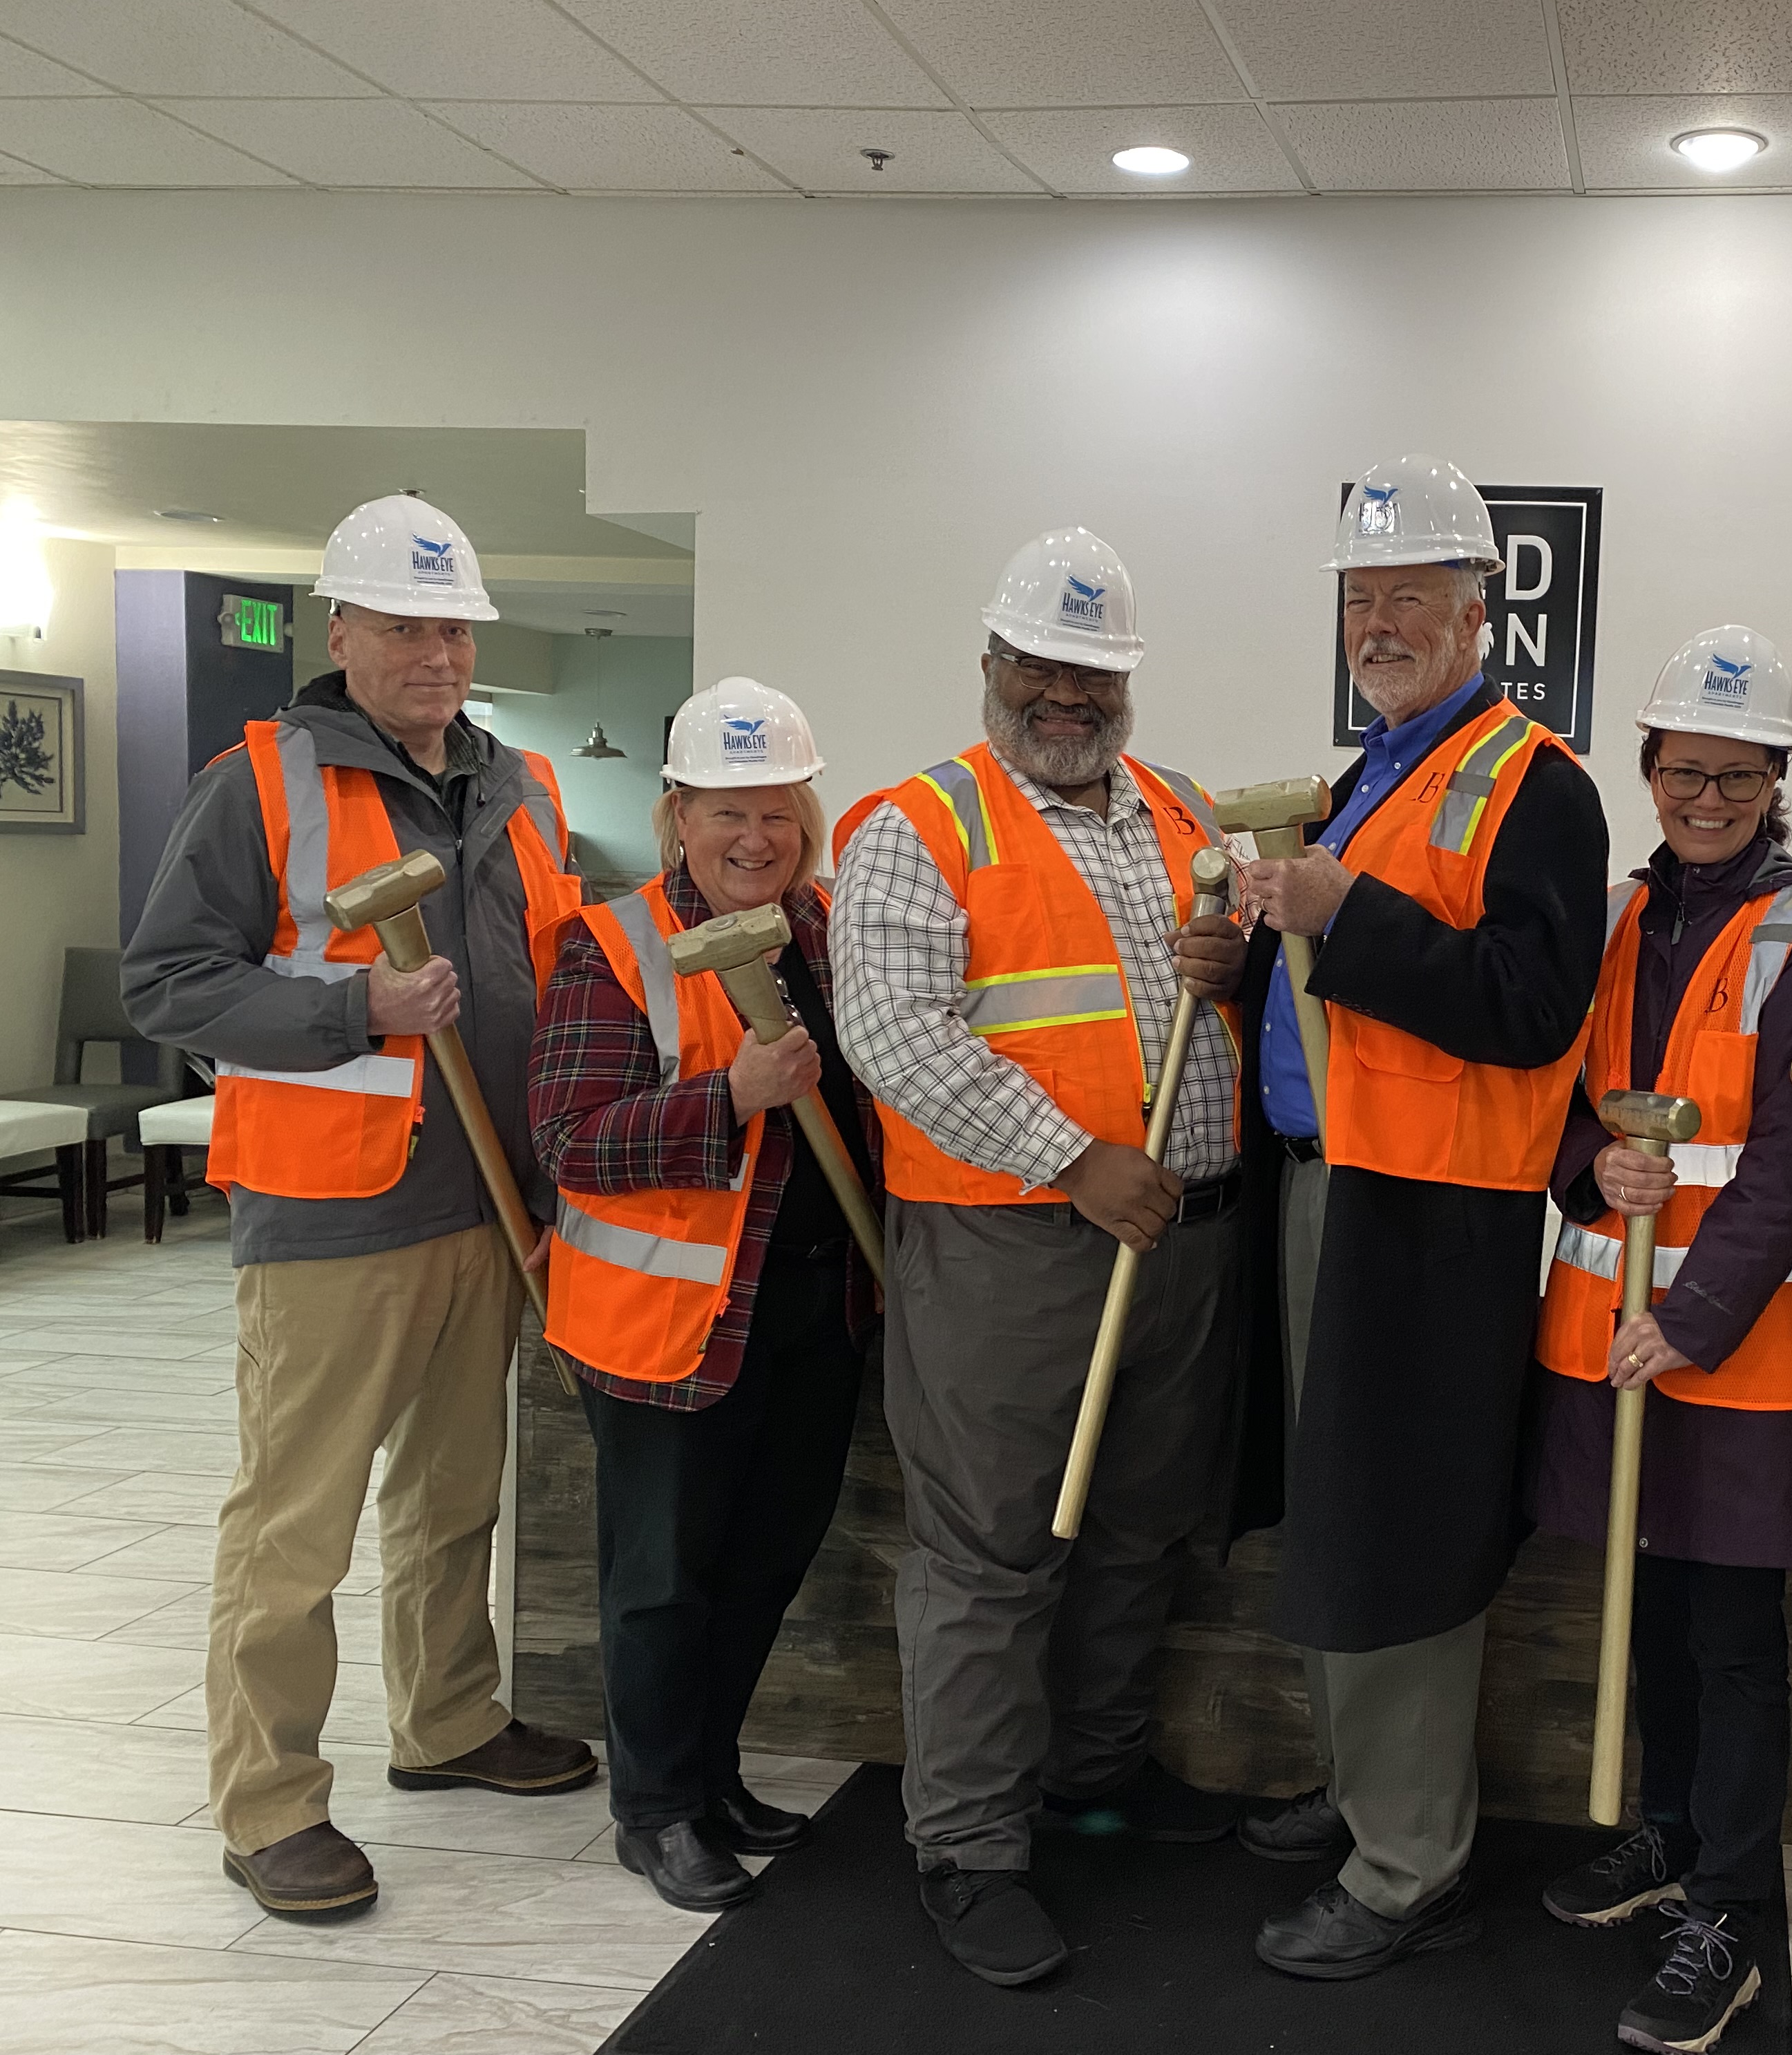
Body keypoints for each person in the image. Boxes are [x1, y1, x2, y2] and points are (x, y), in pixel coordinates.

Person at [122, 495, 597, 1921]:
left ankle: (448, 1722)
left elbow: (556, 972)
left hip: (491, 1199)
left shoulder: (524, 785)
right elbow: (168, 983)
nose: (436, 653)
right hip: (335, 1212)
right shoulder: (261, 779)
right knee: (297, 1521)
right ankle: (266, 1803)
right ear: (343, 632)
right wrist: (354, 1006)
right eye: (405, 626)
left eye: (453, 627)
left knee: (457, 1496)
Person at [831, 527, 1248, 1987]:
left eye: (1098, 673)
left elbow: (1241, 993)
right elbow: (890, 1033)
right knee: (992, 1558)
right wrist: (1076, 1160)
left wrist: (1237, 965)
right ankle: (968, 1845)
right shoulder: (917, 825)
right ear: (995, 664)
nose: (1069, 695)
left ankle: (1099, 1772)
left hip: (1184, 1245)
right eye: (1045, 668)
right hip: (1011, 1251)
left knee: (1138, 1530)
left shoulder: (1187, 814)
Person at [1236, 453, 1606, 1981]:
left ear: (1480, 617)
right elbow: (1337, 989)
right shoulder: (1369, 774)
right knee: (1338, 1511)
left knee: (1396, 1529)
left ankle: (1408, 1864)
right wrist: (1251, 961)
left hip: (1430, 1214)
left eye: (1410, 598)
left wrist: (1345, 917)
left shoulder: (1540, 786)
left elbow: (1531, 1010)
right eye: (1360, 600)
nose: (1378, 624)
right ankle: (1359, 1789)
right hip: (1324, 1193)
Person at [1526, 627, 1792, 2051]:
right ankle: (1663, 1835)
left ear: (1777, 777)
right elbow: (1552, 1098)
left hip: (1747, 1349)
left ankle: (1730, 1904)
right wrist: (1581, 1167)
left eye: (1740, 775)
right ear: (1651, 770)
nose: (1711, 797)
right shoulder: (1615, 916)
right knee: (1650, 1603)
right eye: (1687, 770)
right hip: (1611, 1330)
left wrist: (1689, 1321)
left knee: (1735, 1636)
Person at [526, 676, 877, 1913]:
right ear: (677, 816)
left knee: (766, 1559)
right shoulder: (611, 945)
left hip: (818, 1312)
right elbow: (571, 1139)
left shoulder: (829, 930)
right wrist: (728, 1096)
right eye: (727, 813)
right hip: (673, 1328)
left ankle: (713, 1774)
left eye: (778, 812)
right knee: (663, 1579)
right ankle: (656, 1808)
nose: (754, 840)